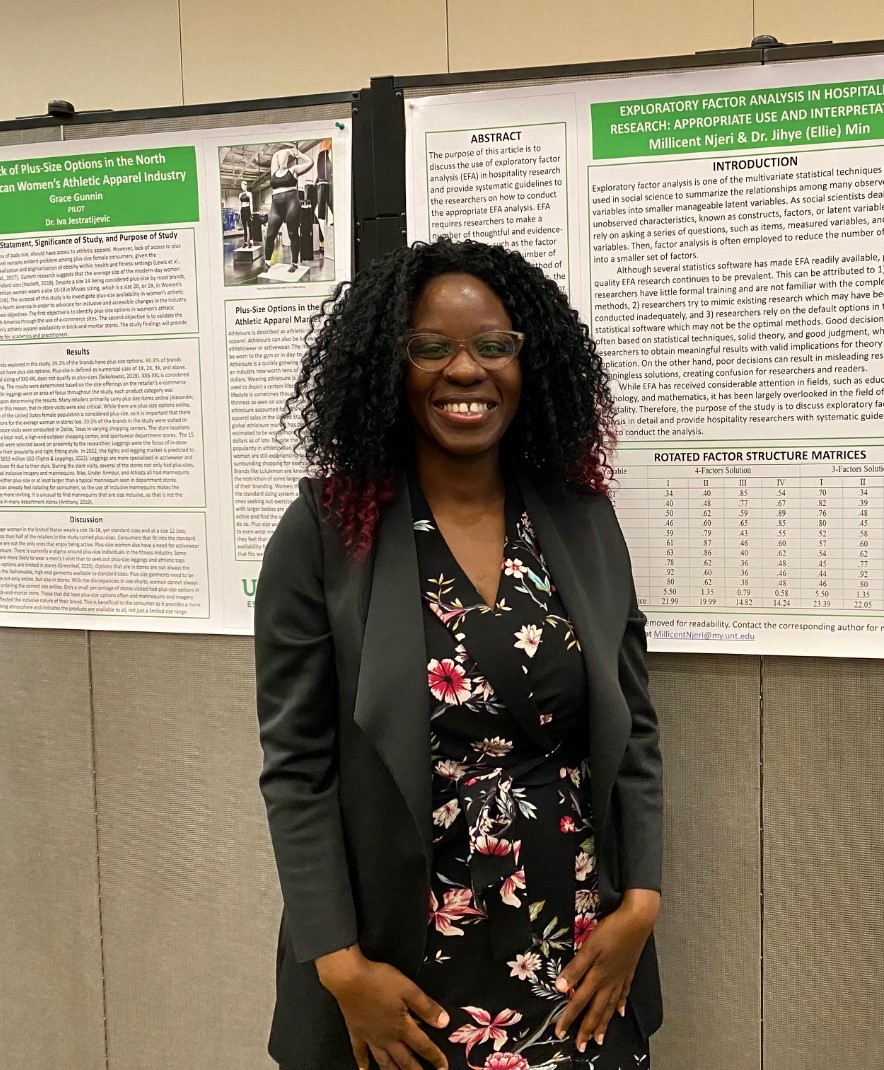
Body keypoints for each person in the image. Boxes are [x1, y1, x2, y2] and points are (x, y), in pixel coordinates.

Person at [255, 238, 663, 1070]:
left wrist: (641, 908)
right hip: (398, 961)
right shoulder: (327, 532)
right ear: (387, 368)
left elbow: (636, 730)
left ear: (528, 363)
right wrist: (338, 964)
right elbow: (297, 767)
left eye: (493, 346)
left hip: (576, 942)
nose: (465, 370)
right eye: (430, 348)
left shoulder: (582, 520)